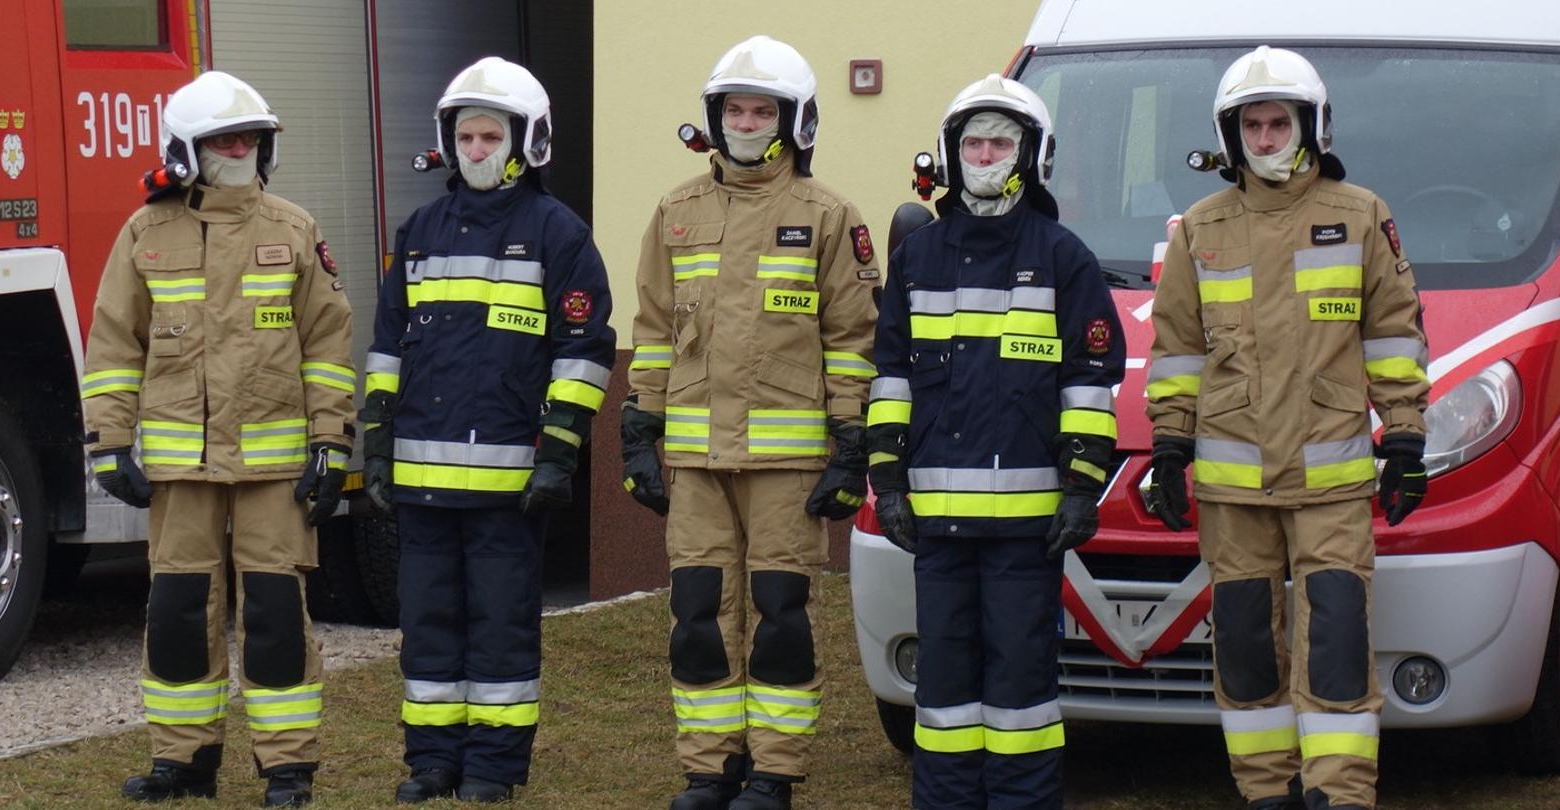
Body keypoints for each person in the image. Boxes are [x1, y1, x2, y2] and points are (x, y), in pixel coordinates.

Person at [1144, 46, 1430, 810]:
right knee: (1245, 653)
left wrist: (1405, 438)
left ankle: (1339, 796)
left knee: (1336, 646)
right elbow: (1177, 350)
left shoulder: (1360, 217)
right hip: (1233, 492)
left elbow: (1394, 335)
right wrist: (1169, 446)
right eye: (1253, 126)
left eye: (1279, 123)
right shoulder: (1200, 230)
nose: (1266, 138)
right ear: (1231, 135)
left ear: (1311, 127)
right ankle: (1266, 793)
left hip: (1330, 486)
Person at [622, 34, 880, 810]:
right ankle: (709, 769)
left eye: (761, 110)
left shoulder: (828, 216)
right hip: (697, 463)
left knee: (780, 617)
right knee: (699, 614)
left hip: (788, 470)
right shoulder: (676, 212)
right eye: (733, 109)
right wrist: (640, 429)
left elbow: (854, 340)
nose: (744, 122)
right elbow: (654, 330)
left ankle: (775, 771)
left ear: (793, 121)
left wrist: (851, 444)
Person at [81, 70, 353, 807]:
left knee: (274, 614)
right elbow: (114, 344)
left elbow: (327, 345)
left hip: (275, 472)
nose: (239, 150)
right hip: (181, 471)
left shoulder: (293, 230)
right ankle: (183, 760)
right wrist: (109, 441)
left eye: (249, 139)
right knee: (177, 612)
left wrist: (332, 440)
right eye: (223, 139)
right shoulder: (145, 233)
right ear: (185, 149)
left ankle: (288, 768)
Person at [359, 56, 616, 803]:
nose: (475, 149)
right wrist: (376, 443)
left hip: (510, 486)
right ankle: (431, 761)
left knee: (501, 626)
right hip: (422, 484)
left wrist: (558, 455)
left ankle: (494, 767)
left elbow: (584, 351)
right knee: (429, 623)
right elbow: (387, 346)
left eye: (490, 136)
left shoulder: (558, 234)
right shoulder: (419, 232)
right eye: (465, 136)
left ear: (527, 142)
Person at [866, 73, 1125, 810]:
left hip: (1026, 530)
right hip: (938, 527)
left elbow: (1089, 381)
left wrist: (1081, 489)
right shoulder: (917, 257)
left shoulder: (1064, 257)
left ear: (1030, 157)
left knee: (1020, 689)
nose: (984, 157)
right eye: (973, 144)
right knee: (943, 689)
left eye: (1000, 145)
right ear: (952, 154)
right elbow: (891, 376)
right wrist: (887, 484)